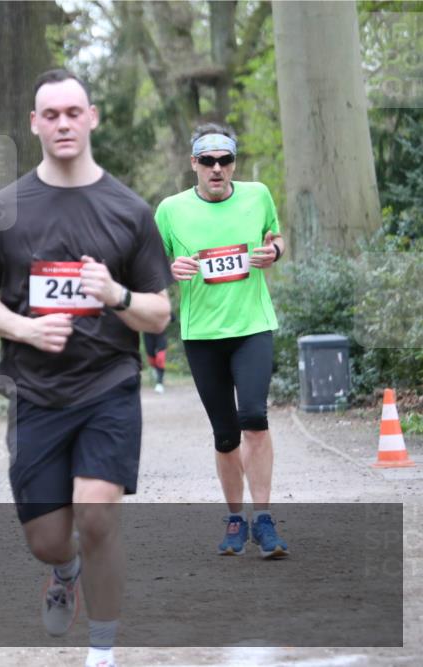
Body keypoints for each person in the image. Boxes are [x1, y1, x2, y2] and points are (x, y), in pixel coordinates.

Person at [0, 70, 171, 667]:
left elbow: (159, 313)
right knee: (47, 539)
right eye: (50, 114)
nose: (62, 123)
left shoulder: (129, 210)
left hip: (109, 385)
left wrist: (116, 295)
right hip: (34, 391)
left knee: (98, 517)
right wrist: (24, 328)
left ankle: (101, 652)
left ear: (92, 117)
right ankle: (64, 569)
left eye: (73, 112)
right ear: (34, 123)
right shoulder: (6, 209)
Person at [155, 123, 289, 559]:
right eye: (208, 160)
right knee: (226, 434)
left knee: (254, 417)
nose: (217, 168)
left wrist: (275, 252)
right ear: (193, 163)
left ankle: (263, 519)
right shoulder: (171, 210)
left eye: (225, 160)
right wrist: (169, 269)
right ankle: (235, 520)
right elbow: (149, 262)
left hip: (252, 327)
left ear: (234, 162)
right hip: (202, 335)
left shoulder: (257, 196)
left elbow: (276, 237)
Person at [142, 314, 173, 393]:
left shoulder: (162, 306)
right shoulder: (144, 308)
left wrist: (163, 323)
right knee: (151, 360)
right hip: (148, 334)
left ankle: (159, 383)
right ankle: (157, 371)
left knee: (160, 359)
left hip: (160, 334)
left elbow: (172, 317)